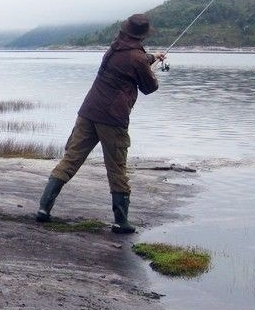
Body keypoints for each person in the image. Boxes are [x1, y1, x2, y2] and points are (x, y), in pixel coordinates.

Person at [35, 13, 165, 233]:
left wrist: (152, 58)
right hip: (113, 119)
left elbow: (133, 62)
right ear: (142, 35)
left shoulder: (114, 48)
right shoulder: (137, 58)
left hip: (88, 112)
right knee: (117, 169)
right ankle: (120, 221)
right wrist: (152, 70)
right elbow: (149, 87)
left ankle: (44, 209)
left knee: (71, 159)